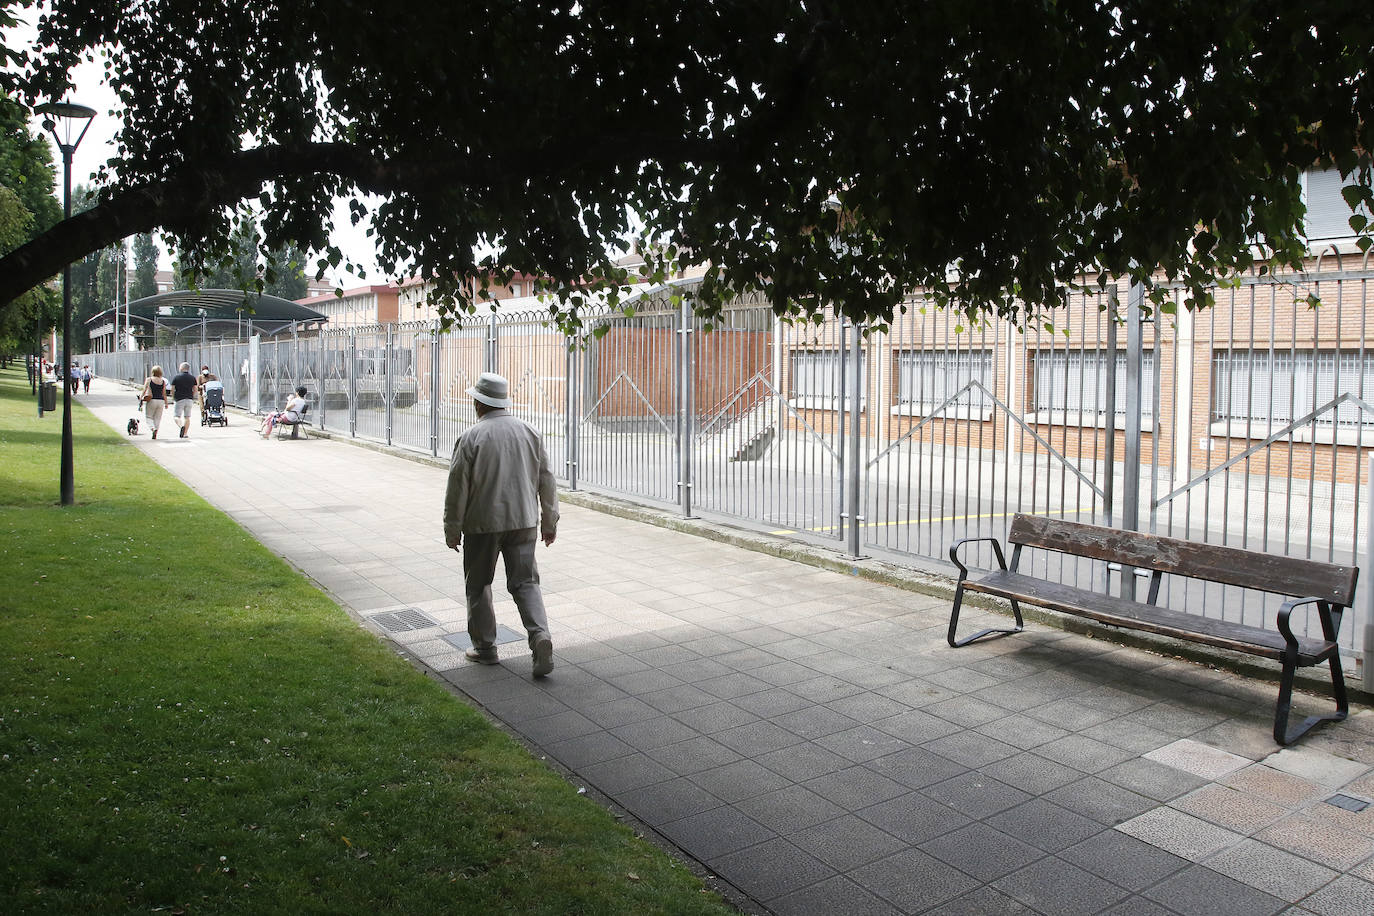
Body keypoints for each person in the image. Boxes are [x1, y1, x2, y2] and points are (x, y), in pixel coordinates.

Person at [444, 372, 559, 678]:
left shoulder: (471, 437)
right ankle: (539, 637)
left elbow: (458, 489)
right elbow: (546, 481)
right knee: (526, 583)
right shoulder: (530, 432)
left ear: (479, 403)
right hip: (523, 521)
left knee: (479, 585)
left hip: (483, 524)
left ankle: (485, 648)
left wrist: (452, 529)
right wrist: (550, 521)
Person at [169, 362, 200, 439]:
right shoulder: (192, 378)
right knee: (187, 417)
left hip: (179, 399)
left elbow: (172, 389)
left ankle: (181, 426)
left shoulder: (176, 377)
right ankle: (185, 433)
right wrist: (192, 396)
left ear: (182, 368)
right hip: (189, 399)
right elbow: (195, 389)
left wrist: (173, 397)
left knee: (176, 416)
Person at [140, 365, 170, 439]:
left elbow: (144, 389)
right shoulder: (162, 381)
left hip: (152, 400)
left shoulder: (149, 379)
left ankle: (152, 428)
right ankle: (156, 430)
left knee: (148, 417)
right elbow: (164, 393)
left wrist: (141, 398)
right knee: (157, 418)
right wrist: (166, 403)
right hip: (161, 401)